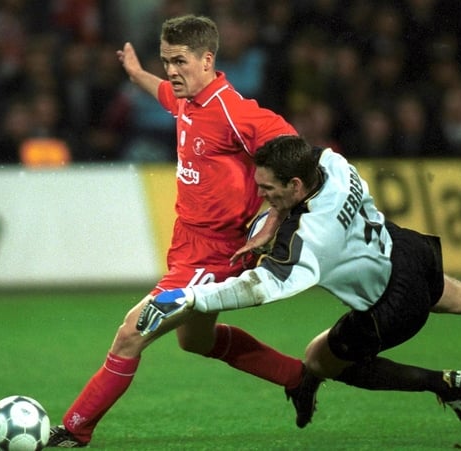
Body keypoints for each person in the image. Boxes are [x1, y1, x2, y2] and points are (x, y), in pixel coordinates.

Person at [137, 135, 461, 429]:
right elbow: (307, 166)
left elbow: (258, 288)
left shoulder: (312, 239)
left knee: (317, 361)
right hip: (404, 252)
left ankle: (447, 384)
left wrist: (189, 296)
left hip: (389, 302)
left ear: (294, 184)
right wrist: (275, 215)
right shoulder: (332, 163)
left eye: (270, 190)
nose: (263, 198)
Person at [47, 15, 303, 448]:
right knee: (195, 341)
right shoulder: (187, 97)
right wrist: (135, 73)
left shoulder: (234, 111)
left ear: (207, 60)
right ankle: (297, 376)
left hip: (215, 254)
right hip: (186, 245)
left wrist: (273, 219)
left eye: (179, 61)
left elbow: (295, 152)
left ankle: (75, 428)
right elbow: (164, 94)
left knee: (131, 332)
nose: (171, 71)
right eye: (166, 61)